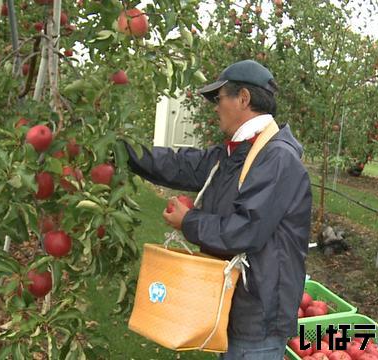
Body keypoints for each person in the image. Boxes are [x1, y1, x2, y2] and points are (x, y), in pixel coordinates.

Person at [122, 60, 312, 359]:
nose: (215, 107)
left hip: (258, 314)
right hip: (235, 302)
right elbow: (182, 164)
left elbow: (245, 229)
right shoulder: (240, 152)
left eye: (219, 98)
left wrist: (189, 221)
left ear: (244, 99)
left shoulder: (276, 159)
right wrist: (124, 151)